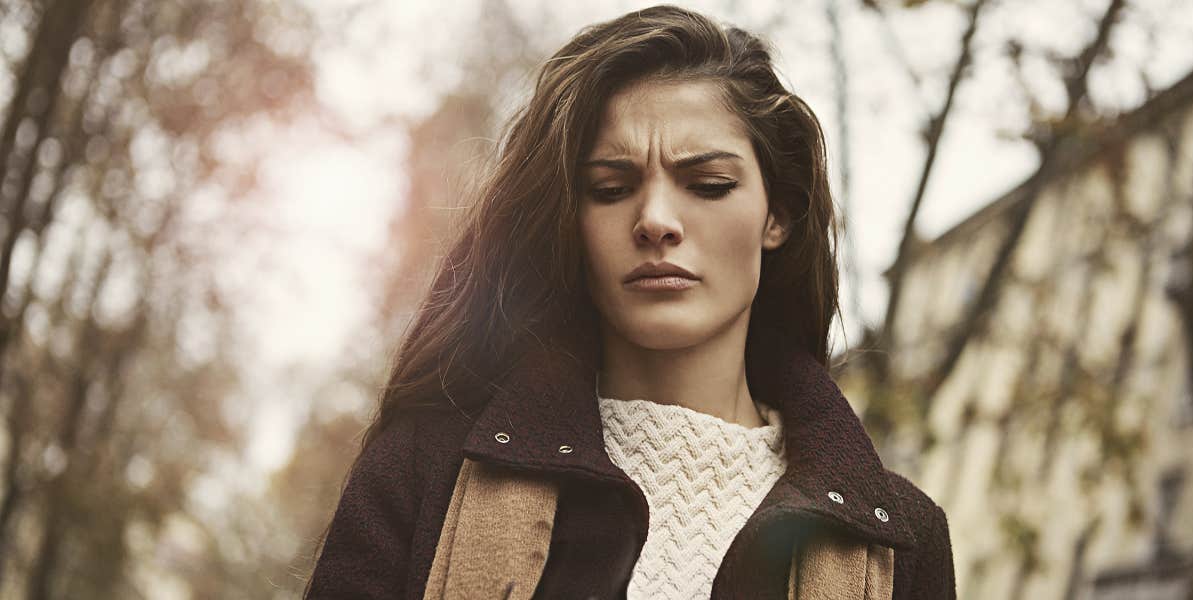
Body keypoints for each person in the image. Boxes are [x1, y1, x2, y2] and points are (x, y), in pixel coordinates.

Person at [304, 4, 955, 599]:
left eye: (708, 183)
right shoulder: (429, 464)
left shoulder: (904, 544)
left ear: (776, 215)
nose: (656, 220)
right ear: (570, 219)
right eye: (611, 188)